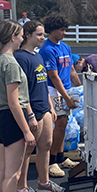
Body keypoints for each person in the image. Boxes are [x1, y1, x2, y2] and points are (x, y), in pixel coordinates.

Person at [0, 20, 37, 192]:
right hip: (10, 118)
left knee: (2, 170)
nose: (21, 38)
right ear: (12, 37)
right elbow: (14, 101)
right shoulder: (11, 63)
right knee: (12, 174)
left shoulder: (0, 60)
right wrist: (27, 130)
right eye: (19, 35)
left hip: (0, 117)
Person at [15, 21, 65, 192]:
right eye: (39, 35)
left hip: (44, 108)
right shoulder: (20, 58)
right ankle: (21, 188)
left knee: (45, 145)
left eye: (43, 34)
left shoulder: (38, 56)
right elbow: (21, 90)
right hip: (32, 110)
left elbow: (43, 84)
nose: (43, 38)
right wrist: (29, 113)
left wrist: (51, 107)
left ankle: (44, 182)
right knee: (27, 151)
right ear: (27, 35)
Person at [38, 14, 81, 178]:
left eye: (65, 30)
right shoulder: (47, 49)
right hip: (53, 91)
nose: (64, 33)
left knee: (64, 124)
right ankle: (52, 161)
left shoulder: (65, 47)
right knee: (58, 124)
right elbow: (53, 76)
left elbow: (71, 69)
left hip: (66, 90)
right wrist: (66, 97)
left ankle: (61, 157)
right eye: (61, 30)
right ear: (53, 30)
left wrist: (79, 87)